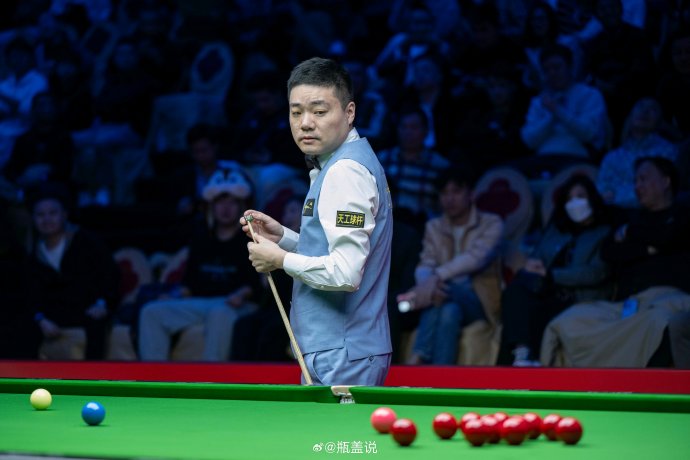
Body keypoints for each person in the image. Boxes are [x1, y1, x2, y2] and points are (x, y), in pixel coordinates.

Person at [241, 57, 394, 386]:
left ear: (349, 113)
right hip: (339, 350)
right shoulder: (337, 164)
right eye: (296, 112)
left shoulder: (345, 172)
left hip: (343, 354)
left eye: (319, 111)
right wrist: (284, 238)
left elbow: (346, 272)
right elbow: (337, 252)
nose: (306, 123)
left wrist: (280, 260)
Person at [541, 157, 690, 368]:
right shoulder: (629, 218)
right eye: (635, 180)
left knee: (659, 321)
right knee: (570, 320)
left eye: (644, 179)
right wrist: (647, 248)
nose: (637, 186)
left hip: (667, 298)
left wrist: (630, 235)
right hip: (626, 305)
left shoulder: (683, 215)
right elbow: (609, 252)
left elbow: (668, 236)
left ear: (666, 181)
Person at [138, 169, 261, 361]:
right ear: (211, 206)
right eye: (220, 202)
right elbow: (190, 283)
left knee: (219, 314)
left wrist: (241, 294)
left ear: (241, 207)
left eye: (232, 202)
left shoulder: (250, 239)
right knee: (151, 312)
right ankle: (154, 377)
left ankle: (213, 378)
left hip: (234, 305)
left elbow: (256, 284)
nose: (226, 208)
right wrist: (173, 296)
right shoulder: (201, 237)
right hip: (202, 303)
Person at [497, 174, 613, 366]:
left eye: (580, 196)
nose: (575, 203)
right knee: (517, 289)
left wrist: (552, 275)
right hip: (544, 289)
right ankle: (521, 357)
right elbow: (538, 255)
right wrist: (533, 265)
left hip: (576, 297)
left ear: (592, 198)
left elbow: (596, 273)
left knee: (522, 306)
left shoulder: (603, 233)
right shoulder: (557, 229)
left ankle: (514, 364)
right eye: (569, 199)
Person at [397, 166, 504, 365]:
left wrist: (434, 280)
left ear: (471, 194)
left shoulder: (491, 223)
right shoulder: (434, 227)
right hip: (441, 298)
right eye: (444, 193)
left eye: (456, 191)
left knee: (449, 290)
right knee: (449, 311)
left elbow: (475, 258)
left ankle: (419, 353)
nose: (449, 199)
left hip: (479, 302)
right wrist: (428, 286)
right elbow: (425, 263)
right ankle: (438, 373)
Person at [24, 183, 119, 359]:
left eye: (53, 213)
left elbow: (110, 276)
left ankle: (92, 375)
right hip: (54, 313)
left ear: (64, 214)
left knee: (96, 323)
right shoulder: (32, 253)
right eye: (40, 215)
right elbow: (29, 294)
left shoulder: (86, 241)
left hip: (87, 309)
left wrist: (103, 303)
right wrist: (40, 318)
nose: (47, 219)